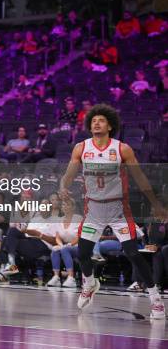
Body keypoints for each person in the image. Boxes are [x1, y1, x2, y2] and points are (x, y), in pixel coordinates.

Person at [59, 103, 166, 319]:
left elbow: (140, 178)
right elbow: (69, 174)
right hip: (93, 209)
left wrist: (155, 204)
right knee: (82, 254)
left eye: (101, 120)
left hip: (118, 209)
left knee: (134, 254)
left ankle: (156, 299)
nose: (96, 122)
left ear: (109, 126)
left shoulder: (122, 149)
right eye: (93, 120)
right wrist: (63, 187)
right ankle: (89, 283)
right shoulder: (81, 147)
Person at [47, 197, 82, 288]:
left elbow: (80, 236)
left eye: (68, 204)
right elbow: (57, 237)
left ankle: (71, 278)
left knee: (65, 249)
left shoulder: (78, 218)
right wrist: (61, 245)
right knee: (55, 249)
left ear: (73, 207)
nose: (65, 206)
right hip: (66, 246)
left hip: (79, 246)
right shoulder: (59, 220)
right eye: (63, 205)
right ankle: (56, 277)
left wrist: (69, 245)